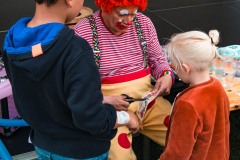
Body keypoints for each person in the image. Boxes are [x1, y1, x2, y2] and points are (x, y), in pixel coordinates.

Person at [1, 0, 140, 159]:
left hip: (42, 144)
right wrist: (127, 117)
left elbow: (49, 93)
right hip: (82, 151)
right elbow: (91, 119)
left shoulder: (12, 42)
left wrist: (100, 100)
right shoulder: (77, 51)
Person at [74, 0, 174, 159]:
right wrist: (104, 101)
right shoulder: (84, 31)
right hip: (111, 112)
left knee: (182, 134)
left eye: (133, 14)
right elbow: (77, 85)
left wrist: (166, 76)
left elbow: (158, 59)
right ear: (105, 6)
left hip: (147, 103)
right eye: (122, 14)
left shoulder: (143, 23)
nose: (128, 21)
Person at [159, 30, 230, 160]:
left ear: (186, 68)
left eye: (174, 64)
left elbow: (177, 154)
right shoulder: (217, 86)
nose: (171, 65)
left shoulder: (187, 104)